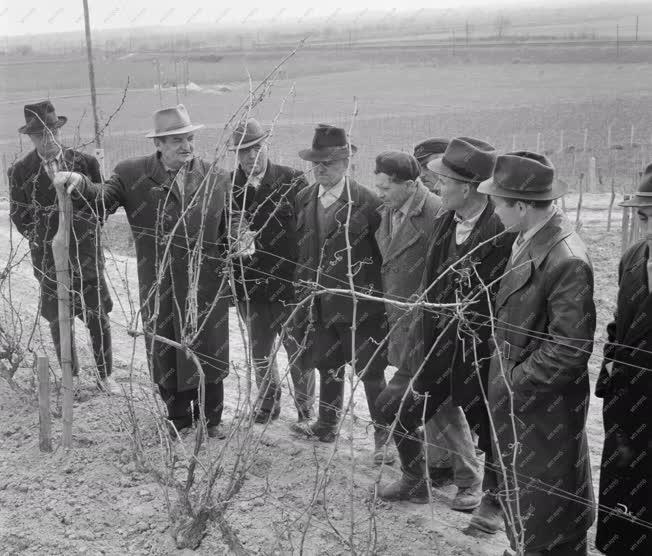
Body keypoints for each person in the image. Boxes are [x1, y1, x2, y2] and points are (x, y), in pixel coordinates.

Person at [53, 104, 230, 439]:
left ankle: (213, 420)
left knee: (209, 349)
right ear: (159, 143)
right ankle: (179, 419)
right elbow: (101, 199)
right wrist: (80, 182)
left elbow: (231, 222)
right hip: (159, 284)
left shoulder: (215, 176)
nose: (186, 145)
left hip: (205, 284)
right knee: (167, 349)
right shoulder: (133, 174)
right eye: (176, 139)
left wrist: (242, 235)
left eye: (189, 138)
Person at [376, 138, 513, 512]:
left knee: (489, 427)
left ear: (467, 188)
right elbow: (430, 285)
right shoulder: (445, 220)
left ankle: (487, 499)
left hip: (479, 351)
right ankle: (415, 479)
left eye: (444, 181)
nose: (436, 187)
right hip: (434, 342)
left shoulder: (501, 230)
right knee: (394, 405)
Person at [478, 151, 596, 555]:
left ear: (523, 206)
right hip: (521, 407)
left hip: (542, 411)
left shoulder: (566, 259)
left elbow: (570, 348)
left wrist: (515, 382)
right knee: (523, 499)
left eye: (498, 201)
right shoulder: (528, 240)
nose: (493, 209)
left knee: (549, 511)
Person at [290, 124, 391, 463]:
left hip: (362, 308)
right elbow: (301, 252)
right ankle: (326, 424)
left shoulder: (368, 203)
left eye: (329, 164)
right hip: (319, 303)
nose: (321, 169)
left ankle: (384, 439)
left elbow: (383, 258)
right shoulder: (304, 198)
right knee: (327, 364)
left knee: (372, 373)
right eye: (316, 163)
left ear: (346, 162)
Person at [9, 100, 113, 390]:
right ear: (30, 137)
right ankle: (72, 377)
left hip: (86, 255)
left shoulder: (85, 164)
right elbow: (19, 214)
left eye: (52, 131)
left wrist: (85, 231)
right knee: (58, 319)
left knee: (97, 315)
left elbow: (102, 203)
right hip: (48, 260)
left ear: (59, 130)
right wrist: (42, 238)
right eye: (41, 135)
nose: (48, 139)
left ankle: (106, 375)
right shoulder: (20, 171)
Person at [229, 118, 315, 423]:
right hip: (249, 287)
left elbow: (308, 229)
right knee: (260, 351)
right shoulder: (227, 187)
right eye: (244, 151)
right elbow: (218, 234)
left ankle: (306, 410)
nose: (251, 155)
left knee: (298, 350)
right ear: (236, 155)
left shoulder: (292, 180)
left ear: (266, 145)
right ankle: (268, 405)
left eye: (256, 147)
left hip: (288, 284)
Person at [594, 164, 652, 556]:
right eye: (645, 217)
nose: (648, 228)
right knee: (624, 485)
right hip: (630, 400)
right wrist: (611, 369)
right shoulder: (634, 256)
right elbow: (620, 322)